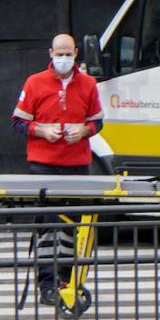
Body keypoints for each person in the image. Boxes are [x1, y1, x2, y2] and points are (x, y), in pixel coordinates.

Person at [11, 33, 104, 304]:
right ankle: (47, 285)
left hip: (78, 165)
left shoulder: (88, 84)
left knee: (74, 227)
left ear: (76, 53)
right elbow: (17, 122)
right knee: (47, 228)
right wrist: (40, 130)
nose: (64, 58)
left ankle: (67, 279)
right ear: (50, 53)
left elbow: (98, 122)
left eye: (68, 53)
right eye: (59, 53)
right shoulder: (35, 82)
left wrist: (84, 130)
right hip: (44, 164)